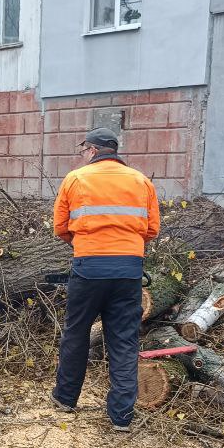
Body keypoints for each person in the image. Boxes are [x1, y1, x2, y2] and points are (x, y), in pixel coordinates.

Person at [51, 127, 160, 431]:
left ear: (94, 150)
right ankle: (121, 417)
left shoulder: (76, 179)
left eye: (82, 149)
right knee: (124, 340)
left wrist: (85, 243)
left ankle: (65, 398)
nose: (81, 155)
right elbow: (152, 230)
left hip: (88, 267)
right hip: (129, 269)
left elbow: (60, 226)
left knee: (76, 333)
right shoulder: (142, 181)